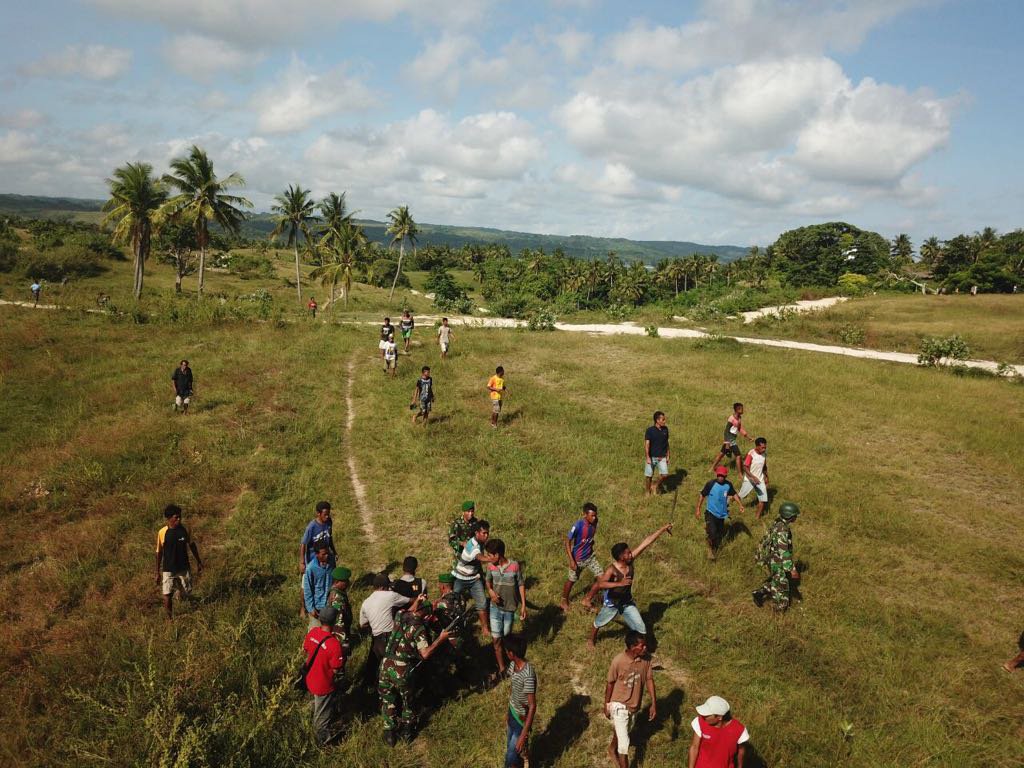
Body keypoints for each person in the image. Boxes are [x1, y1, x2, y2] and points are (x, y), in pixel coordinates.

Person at [378, 594, 451, 746]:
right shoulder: (419, 628)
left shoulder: (400, 615)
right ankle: (407, 730)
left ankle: (389, 733)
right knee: (408, 701)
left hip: (385, 665)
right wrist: (441, 639)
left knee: (388, 699)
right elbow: (425, 653)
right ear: (428, 615)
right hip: (402, 669)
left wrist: (417, 601)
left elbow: (410, 610)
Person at [587, 523, 673, 648]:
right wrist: (619, 583)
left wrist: (662, 529)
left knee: (642, 629)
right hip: (613, 603)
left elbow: (646, 542)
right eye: (628, 553)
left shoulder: (630, 560)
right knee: (599, 622)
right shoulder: (612, 570)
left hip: (627, 602)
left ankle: (639, 650)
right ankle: (591, 640)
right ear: (621, 557)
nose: (631, 554)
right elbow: (601, 584)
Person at [604, 631, 656, 768]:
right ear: (633, 647)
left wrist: (653, 704)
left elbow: (649, 679)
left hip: (634, 707)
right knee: (624, 744)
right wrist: (606, 704)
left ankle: (611, 748)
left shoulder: (646, 660)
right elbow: (610, 683)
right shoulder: (618, 661)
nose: (645, 648)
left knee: (624, 732)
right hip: (619, 705)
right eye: (642, 646)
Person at [359, 573, 411, 689]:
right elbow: (409, 600)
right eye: (388, 586)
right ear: (383, 587)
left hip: (376, 639)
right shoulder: (390, 596)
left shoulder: (366, 602)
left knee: (374, 664)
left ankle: (370, 687)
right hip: (389, 638)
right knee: (394, 667)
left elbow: (362, 624)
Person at [303, 605, 345, 747]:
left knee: (316, 701)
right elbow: (336, 670)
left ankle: (307, 715)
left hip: (310, 678)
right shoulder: (334, 644)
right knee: (322, 718)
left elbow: (306, 649)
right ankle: (321, 741)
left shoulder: (313, 632)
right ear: (334, 622)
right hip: (324, 685)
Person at [485, 538, 527, 678]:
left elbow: (521, 584)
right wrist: (490, 592)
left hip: (509, 609)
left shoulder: (514, 566)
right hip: (495, 609)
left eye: (490, 555)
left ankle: (512, 662)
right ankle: (502, 668)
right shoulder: (490, 567)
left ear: (497, 555)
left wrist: (523, 606)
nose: (488, 558)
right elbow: (487, 582)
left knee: (506, 637)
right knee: (496, 639)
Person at [155, 504, 203, 620]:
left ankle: (180, 593)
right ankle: (169, 620)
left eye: (180, 516)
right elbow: (159, 552)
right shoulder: (162, 533)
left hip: (183, 567)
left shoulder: (185, 530)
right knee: (167, 594)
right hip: (168, 569)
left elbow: (192, 545)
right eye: (176, 517)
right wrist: (157, 572)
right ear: (169, 518)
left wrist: (199, 561)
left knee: (187, 592)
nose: (179, 519)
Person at [452, 519, 498, 638]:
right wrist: (490, 559)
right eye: (484, 533)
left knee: (482, 603)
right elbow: (479, 556)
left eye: (487, 533)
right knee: (453, 602)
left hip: (474, 578)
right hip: (461, 578)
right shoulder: (472, 545)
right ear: (477, 533)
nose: (486, 535)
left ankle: (485, 629)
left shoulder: (482, 542)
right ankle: (454, 628)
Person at [752, 501, 801, 612]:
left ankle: (759, 594)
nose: (796, 517)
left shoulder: (778, 523)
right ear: (790, 516)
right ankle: (779, 609)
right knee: (782, 586)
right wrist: (792, 569)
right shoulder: (782, 530)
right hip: (777, 560)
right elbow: (783, 551)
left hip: (772, 557)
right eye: (795, 515)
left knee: (776, 579)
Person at [696, 466, 745, 561]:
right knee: (713, 534)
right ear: (716, 474)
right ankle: (711, 550)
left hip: (722, 515)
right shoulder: (711, 484)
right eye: (719, 475)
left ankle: (710, 534)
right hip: (711, 512)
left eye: (722, 476)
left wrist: (740, 505)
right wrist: (698, 509)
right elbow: (702, 495)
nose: (720, 477)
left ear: (725, 476)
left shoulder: (728, 485)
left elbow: (734, 494)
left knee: (719, 535)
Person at [503, 633, 537, 768]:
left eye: (507, 651)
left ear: (512, 653)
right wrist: (509, 710)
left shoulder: (528, 675)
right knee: (510, 747)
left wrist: (523, 735)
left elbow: (533, 706)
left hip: (521, 720)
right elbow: (513, 688)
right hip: (512, 713)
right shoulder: (513, 666)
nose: (506, 653)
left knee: (511, 755)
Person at [688, 695, 749, 768]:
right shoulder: (699, 722)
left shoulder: (740, 731)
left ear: (719, 717)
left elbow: (741, 751)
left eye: (707, 715)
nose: (702, 716)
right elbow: (694, 747)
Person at [561, 502, 601, 612]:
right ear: (585, 515)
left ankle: (587, 599)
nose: (595, 518)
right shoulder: (578, 525)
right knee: (571, 580)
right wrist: (572, 560)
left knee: (602, 578)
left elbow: (590, 536)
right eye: (592, 515)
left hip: (590, 557)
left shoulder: (595, 523)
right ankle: (564, 599)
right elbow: (567, 541)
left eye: (595, 515)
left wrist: (591, 543)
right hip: (577, 559)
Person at [299, 501, 336, 617]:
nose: (327, 516)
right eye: (325, 514)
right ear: (318, 514)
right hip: (312, 559)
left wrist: (334, 552)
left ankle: (324, 603)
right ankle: (303, 607)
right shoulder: (311, 527)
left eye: (328, 514)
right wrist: (302, 562)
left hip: (325, 556)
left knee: (326, 580)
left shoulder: (329, 522)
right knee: (306, 585)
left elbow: (330, 539)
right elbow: (303, 544)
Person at [712, 403, 751, 476]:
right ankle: (740, 474)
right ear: (737, 409)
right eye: (742, 408)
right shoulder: (731, 418)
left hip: (732, 439)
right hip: (730, 439)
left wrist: (747, 436)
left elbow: (739, 428)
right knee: (738, 456)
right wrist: (727, 443)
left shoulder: (739, 417)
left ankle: (712, 468)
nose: (743, 410)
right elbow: (726, 431)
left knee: (721, 454)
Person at [304, 544, 334, 629]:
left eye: (327, 553)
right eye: (323, 554)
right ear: (317, 554)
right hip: (317, 607)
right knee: (315, 631)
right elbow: (308, 589)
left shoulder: (331, 561)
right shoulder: (311, 568)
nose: (327, 555)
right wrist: (311, 608)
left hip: (329, 604)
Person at [327, 566, 353, 661]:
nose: (348, 582)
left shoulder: (335, 591)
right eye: (345, 581)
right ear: (337, 582)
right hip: (338, 640)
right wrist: (344, 645)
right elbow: (339, 625)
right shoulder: (338, 600)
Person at [738, 438, 769, 519]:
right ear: (757, 446)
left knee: (762, 500)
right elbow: (745, 467)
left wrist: (766, 477)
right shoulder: (751, 454)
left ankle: (756, 518)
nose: (764, 449)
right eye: (762, 447)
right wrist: (753, 477)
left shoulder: (764, 454)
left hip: (760, 480)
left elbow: (764, 467)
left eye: (765, 447)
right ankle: (730, 499)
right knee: (742, 496)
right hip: (750, 479)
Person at [644, 411, 670, 496]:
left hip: (662, 457)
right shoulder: (650, 431)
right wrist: (647, 457)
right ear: (657, 420)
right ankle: (647, 491)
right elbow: (647, 444)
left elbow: (667, 443)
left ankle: (655, 485)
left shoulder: (665, 429)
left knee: (665, 475)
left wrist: (668, 455)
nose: (664, 421)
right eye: (663, 419)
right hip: (651, 457)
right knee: (649, 476)